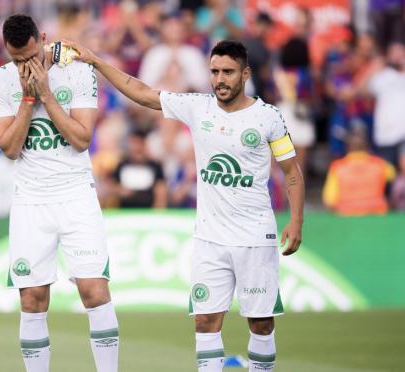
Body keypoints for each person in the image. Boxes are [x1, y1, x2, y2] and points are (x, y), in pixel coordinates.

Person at [65, 38, 304, 372]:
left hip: (254, 237)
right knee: (205, 321)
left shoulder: (268, 117)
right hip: (209, 239)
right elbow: (142, 91)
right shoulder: (198, 107)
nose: (220, 79)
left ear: (245, 74)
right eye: (215, 71)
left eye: (229, 72)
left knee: (261, 324)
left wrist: (296, 221)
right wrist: (96, 61)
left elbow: (291, 173)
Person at [0, 14, 119, 372]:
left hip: (76, 194)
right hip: (31, 200)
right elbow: (10, 149)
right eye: (17, 60)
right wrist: (28, 102)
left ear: (42, 39)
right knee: (31, 297)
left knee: (94, 291)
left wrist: (46, 95)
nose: (25, 65)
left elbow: (80, 139)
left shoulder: (76, 72)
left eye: (30, 56)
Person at [323, 126, 395, 215]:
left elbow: (329, 201)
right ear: (367, 146)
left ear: (347, 147)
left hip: (346, 216)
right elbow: (396, 178)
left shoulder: (337, 167)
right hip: (377, 215)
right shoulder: (380, 164)